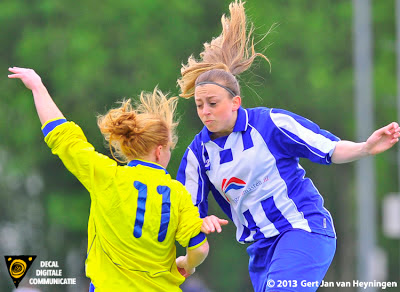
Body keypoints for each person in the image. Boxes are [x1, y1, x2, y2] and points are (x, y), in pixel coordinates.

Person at [175, 1, 400, 291]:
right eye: (199, 105)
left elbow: (328, 149)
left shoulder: (270, 124)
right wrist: (198, 223)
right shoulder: (197, 154)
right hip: (260, 251)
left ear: (235, 103)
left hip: (302, 231)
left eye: (213, 104)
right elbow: (187, 210)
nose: (205, 111)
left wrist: (365, 148)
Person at [8, 67, 209, 291]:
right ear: (159, 151)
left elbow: (63, 136)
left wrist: (38, 88)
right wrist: (187, 264)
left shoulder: (107, 176)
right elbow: (199, 248)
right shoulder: (178, 193)